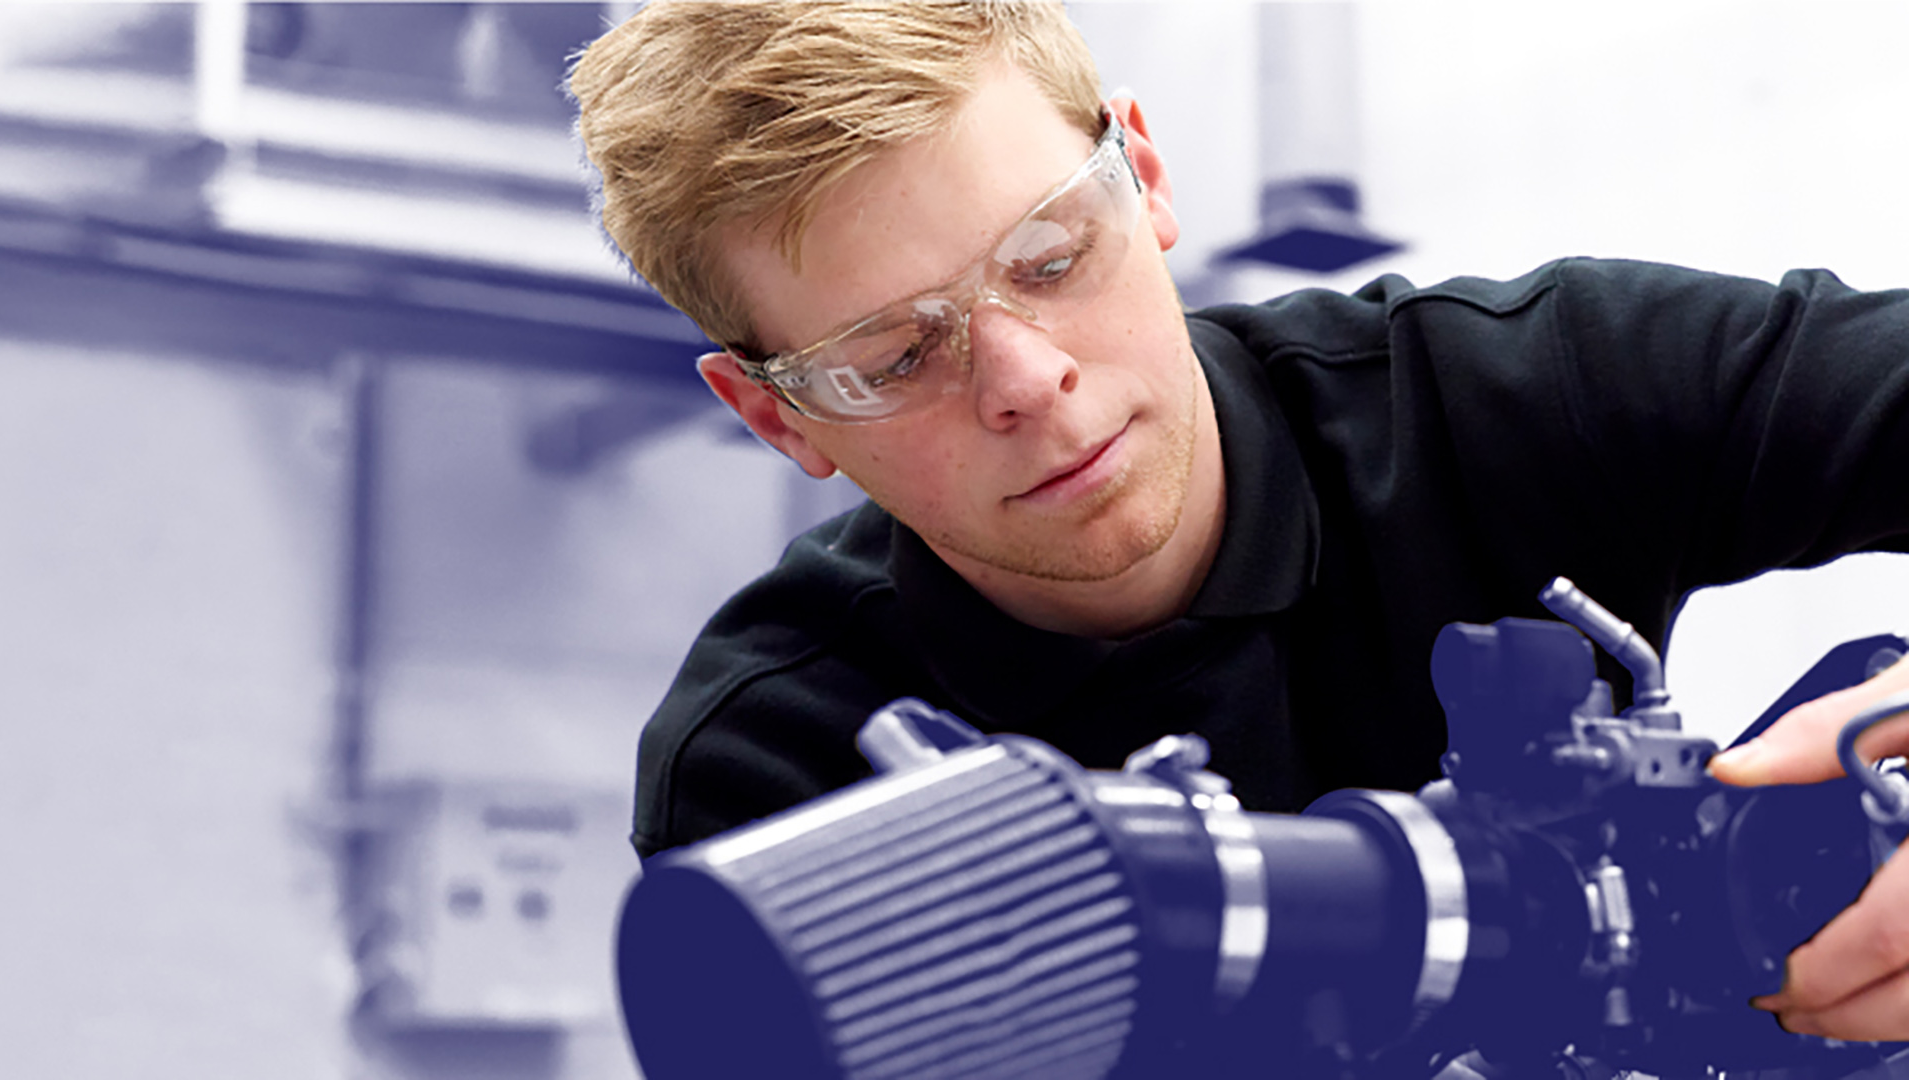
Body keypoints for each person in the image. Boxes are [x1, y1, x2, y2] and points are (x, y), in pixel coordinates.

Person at [569, 0, 1909, 1044]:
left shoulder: (1522, 394)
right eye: (897, 357)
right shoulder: (774, 771)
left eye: (1051, 258)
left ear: (1141, 174)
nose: (1030, 384)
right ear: (778, 417)